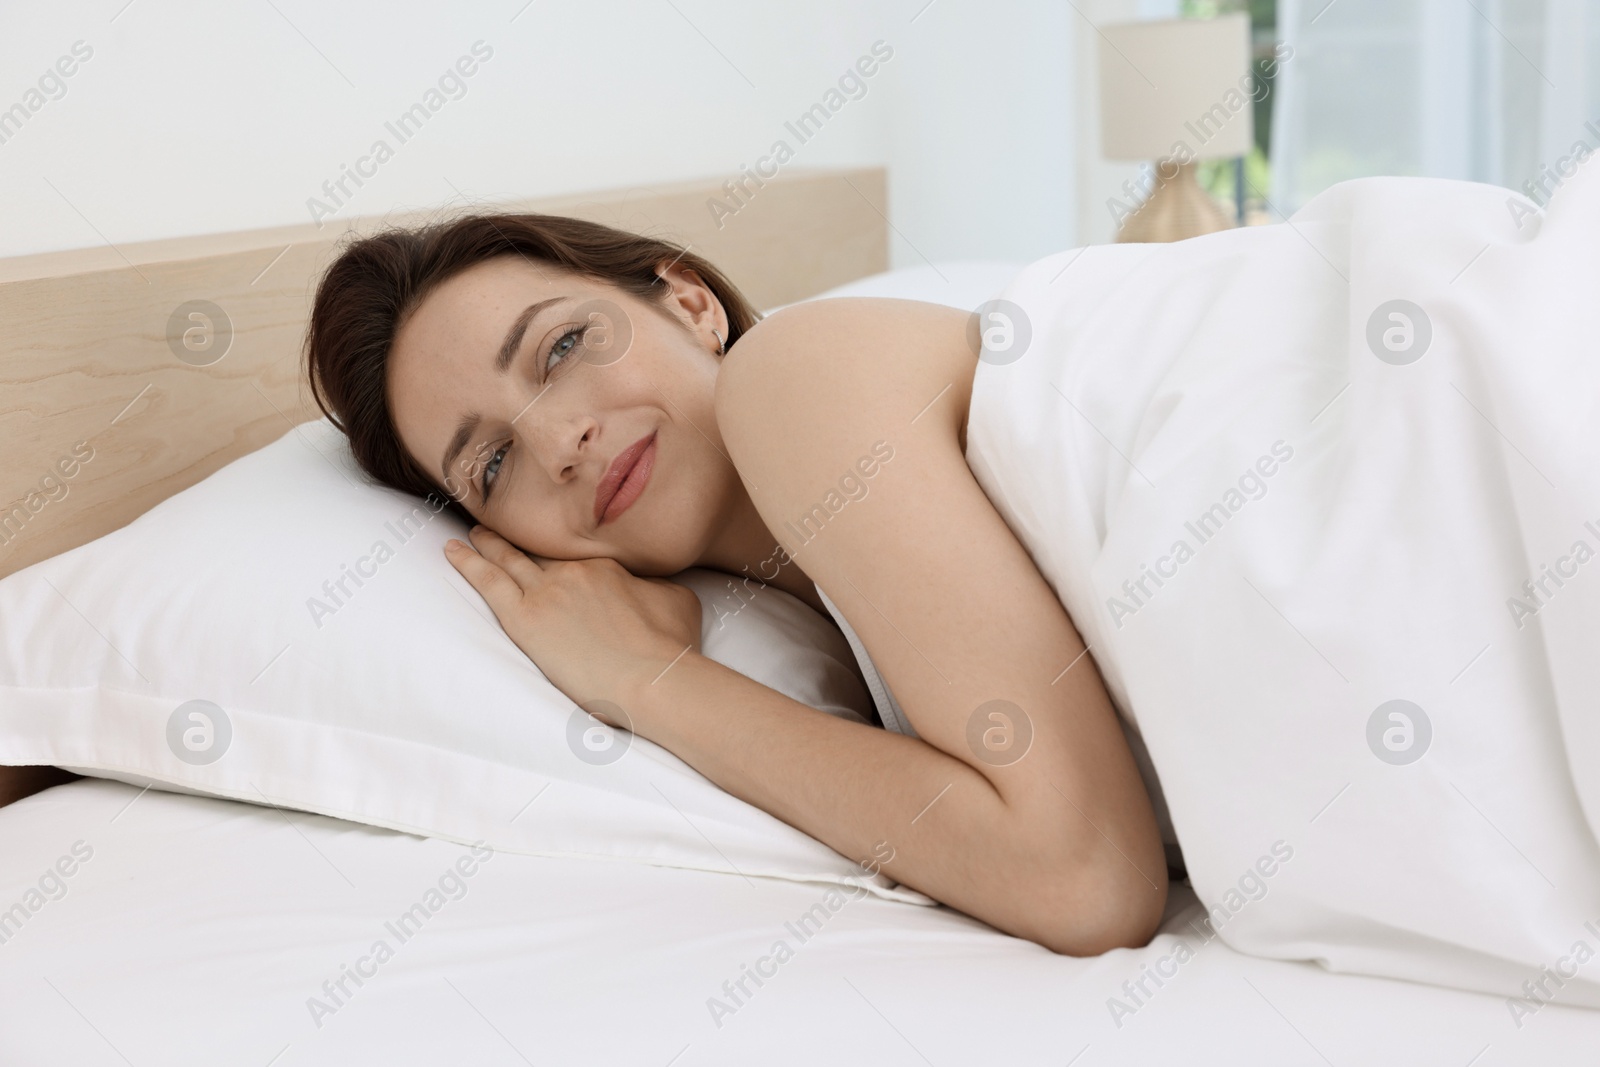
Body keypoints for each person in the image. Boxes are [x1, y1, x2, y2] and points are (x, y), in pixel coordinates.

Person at [304, 213, 1167, 956]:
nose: (561, 440)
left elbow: (1085, 877)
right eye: (493, 463)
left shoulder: (795, 373)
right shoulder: (845, 607)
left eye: (562, 346)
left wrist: (655, 681)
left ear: (690, 302)